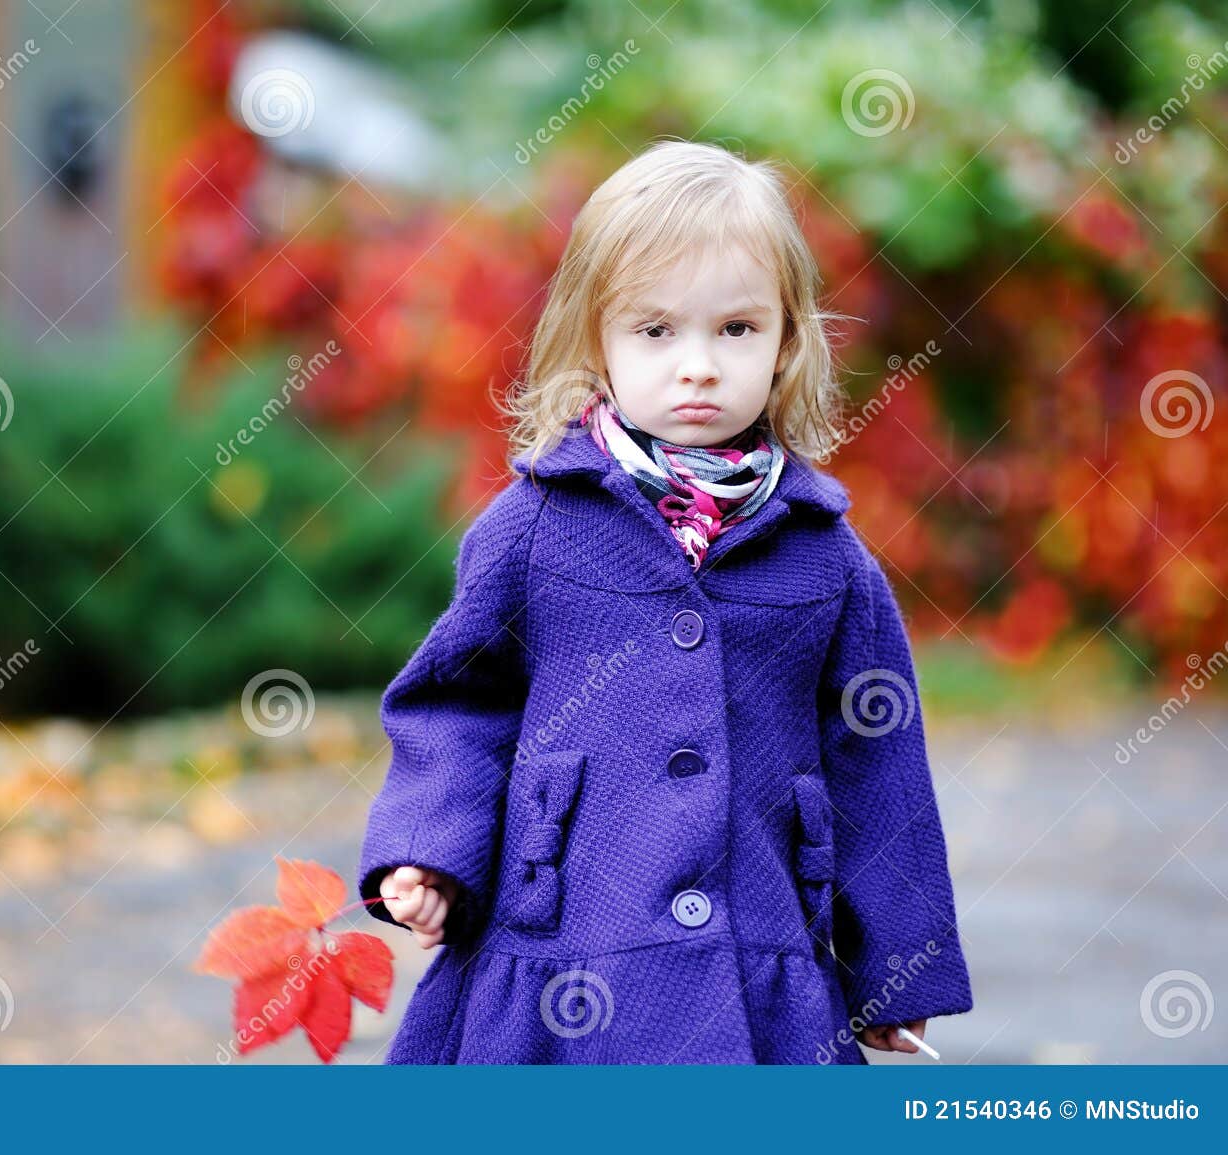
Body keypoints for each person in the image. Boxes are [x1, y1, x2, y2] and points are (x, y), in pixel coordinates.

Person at [354, 138, 973, 1064]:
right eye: (656, 330)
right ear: (594, 335)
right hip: (558, 947)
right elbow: (458, 703)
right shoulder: (532, 529)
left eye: (736, 330)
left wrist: (895, 961)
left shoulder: (825, 555)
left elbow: (875, 760)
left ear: (786, 339)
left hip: (760, 961)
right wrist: (429, 850)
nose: (698, 366)